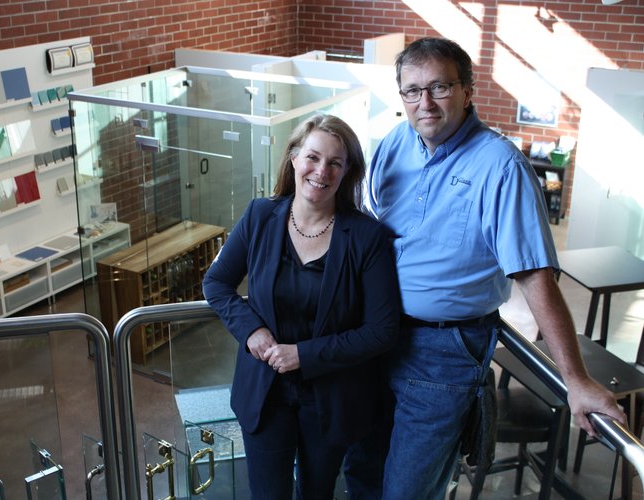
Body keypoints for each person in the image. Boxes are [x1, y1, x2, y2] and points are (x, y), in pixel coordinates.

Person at [352, 37, 626, 499]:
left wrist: (575, 380)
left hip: (442, 351)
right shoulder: (395, 143)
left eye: (439, 87)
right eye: (412, 90)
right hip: (376, 336)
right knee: (361, 468)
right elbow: (371, 223)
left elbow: (535, 275)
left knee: (407, 489)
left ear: (467, 90)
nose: (425, 102)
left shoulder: (501, 167)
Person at [202, 113, 401, 500]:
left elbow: (382, 330)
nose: (321, 171)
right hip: (265, 392)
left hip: (332, 399)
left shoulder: (367, 237)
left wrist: (303, 356)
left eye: (335, 163)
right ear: (293, 157)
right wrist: (251, 331)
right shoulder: (260, 216)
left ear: (347, 172)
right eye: (312, 157)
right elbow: (216, 283)